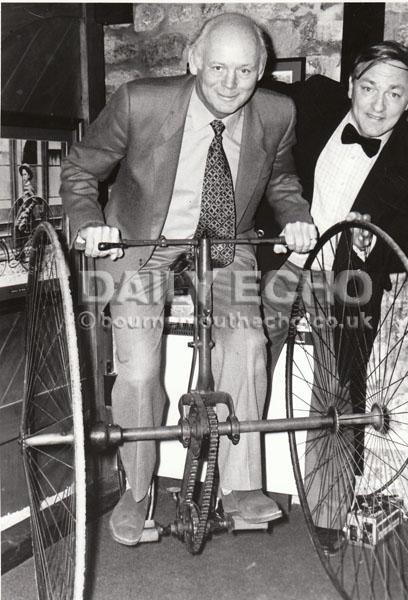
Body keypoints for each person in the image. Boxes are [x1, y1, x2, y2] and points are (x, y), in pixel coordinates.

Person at [61, 12, 316, 546]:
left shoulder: (277, 112)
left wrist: (295, 214)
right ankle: (138, 489)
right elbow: (81, 168)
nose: (230, 84)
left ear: (262, 69)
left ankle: (241, 486)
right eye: (217, 67)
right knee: (137, 369)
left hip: (227, 246)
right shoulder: (141, 101)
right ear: (193, 60)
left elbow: (283, 177)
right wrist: (88, 223)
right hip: (140, 242)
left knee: (247, 344)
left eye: (245, 71)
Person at [262, 41, 408, 554]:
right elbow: (248, 89)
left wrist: (370, 243)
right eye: (368, 89)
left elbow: (404, 243)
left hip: (345, 282)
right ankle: (224, 487)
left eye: (394, 94)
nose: (377, 105)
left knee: (339, 392)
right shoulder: (315, 102)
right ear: (350, 87)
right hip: (280, 263)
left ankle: (327, 510)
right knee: (244, 361)